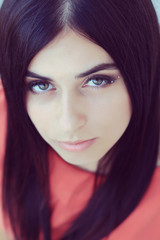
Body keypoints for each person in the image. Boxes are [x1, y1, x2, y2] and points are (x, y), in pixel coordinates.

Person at [0, 0, 160, 239]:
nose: (69, 123)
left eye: (98, 80)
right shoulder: (5, 114)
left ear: (143, 67)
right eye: (40, 85)